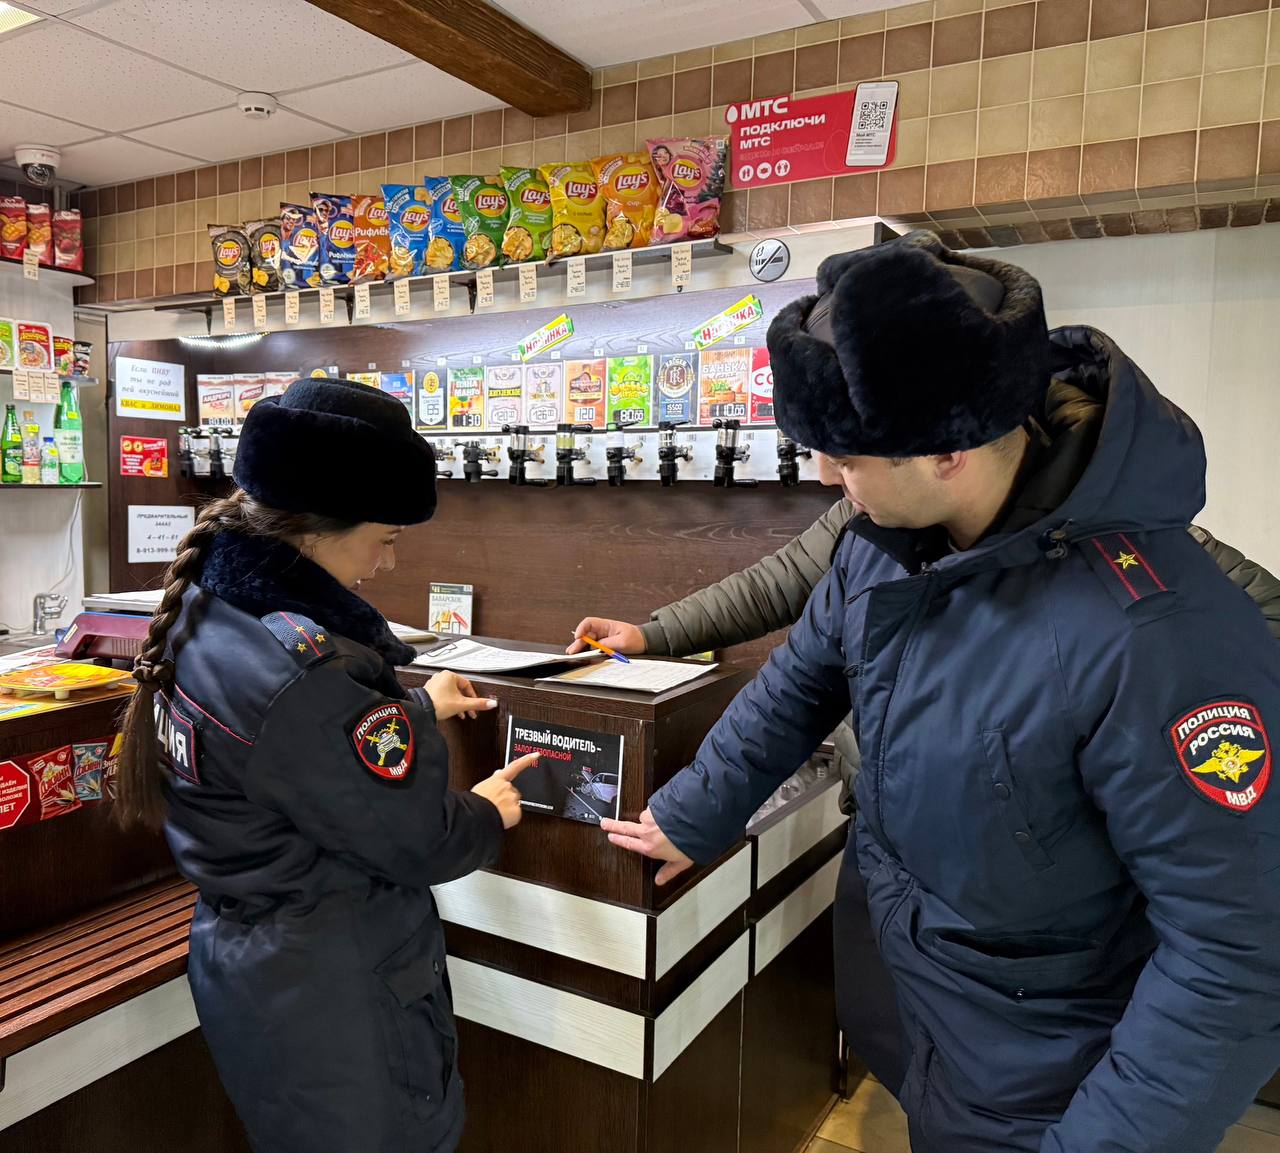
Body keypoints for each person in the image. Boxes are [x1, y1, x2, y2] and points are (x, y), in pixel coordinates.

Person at [597, 232, 1280, 1152]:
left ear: (948, 450)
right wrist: (692, 812)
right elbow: (798, 682)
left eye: (845, 458)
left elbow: (1235, 952)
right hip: (927, 1020)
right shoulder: (884, 547)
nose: (826, 478)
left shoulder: (1157, 635)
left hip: (1055, 1080)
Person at [114, 377, 537, 1153]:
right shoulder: (309, 674)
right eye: (386, 538)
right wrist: (485, 811)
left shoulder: (207, 606)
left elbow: (290, 757)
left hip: (251, 976)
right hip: (339, 997)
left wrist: (413, 709)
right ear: (315, 530)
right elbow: (417, 837)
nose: (385, 563)